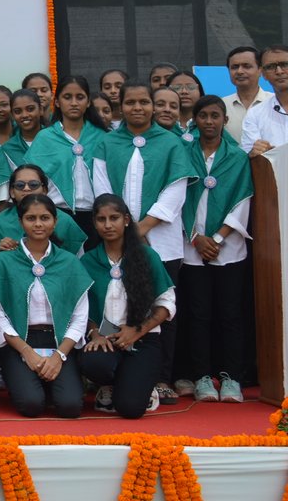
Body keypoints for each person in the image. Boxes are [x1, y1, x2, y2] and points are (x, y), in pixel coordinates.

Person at [100, 82, 195, 402]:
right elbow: (103, 190)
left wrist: (141, 229)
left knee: (163, 309)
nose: (137, 107)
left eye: (144, 102)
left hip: (162, 241)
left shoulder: (171, 143)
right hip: (117, 238)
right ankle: (117, 376)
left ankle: (162, 377)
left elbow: (176, 190)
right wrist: (123, 229)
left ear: (153, 106)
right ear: (121, 106)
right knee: (118, 304)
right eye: (131, 102)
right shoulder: (107, 143)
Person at [177, 94, 252, 403]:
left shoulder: (237, 157)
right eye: (203, 116)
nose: (209, 121)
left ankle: (231, 377)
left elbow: (243, 199)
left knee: (231, 314)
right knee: (198, 314)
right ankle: (202, 377)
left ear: (225, 120)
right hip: (192, 246)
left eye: (215, 116)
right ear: (195, 120)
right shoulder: (183, 153)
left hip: (228, 249)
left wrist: (218, 239)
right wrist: (196, 237)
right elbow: (178, 198)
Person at [0, 194, 90, 418]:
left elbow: (80, 315)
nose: (38, 224)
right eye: (31, 218)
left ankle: (50, 382)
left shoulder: (69, 262)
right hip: (20, 341)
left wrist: (59, 356)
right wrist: (27, 352)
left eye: (44, 218)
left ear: (55, 221)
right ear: (21, 222)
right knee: (31, 405)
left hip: (59, 341)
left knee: (70, 407)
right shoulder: (5, 260)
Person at [79, 194, 174, 418]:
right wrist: (95, 334)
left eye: (114, 218)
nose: (108, 225)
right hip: (105, 338)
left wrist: (136, 331)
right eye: (101, 219)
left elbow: (166, 304)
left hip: (142, 339)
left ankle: (143, 387)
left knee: (130, 408)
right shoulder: (88, 261)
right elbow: (81, 308)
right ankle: (109, 384)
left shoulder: (147, 256)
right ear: (94, 223)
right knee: (93, 362)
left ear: (127, 220)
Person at [25, 74, 106, 242]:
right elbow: (32, 178)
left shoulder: (102, 137)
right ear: (57, 102)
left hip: (98, 215)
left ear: (88, 102)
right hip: (57, 214)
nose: (74, 103)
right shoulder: (45, 137)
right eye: (67, 97)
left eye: (80, 97)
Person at [0, 165, 86, 256]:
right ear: (12, 192)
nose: (26, 188)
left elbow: (77, 261)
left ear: (45, 190)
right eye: (20, 185)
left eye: (33, 184)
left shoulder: (65, 221)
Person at [243, 44, 288, 159]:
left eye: (285, 64)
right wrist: (254, 154)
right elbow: (247, 156)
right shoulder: (255, 114)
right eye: (271, 67)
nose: (279, 71)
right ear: (263, 74)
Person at [221, 45, 266, 144]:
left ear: (260, 70)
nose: (239, 71)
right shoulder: (221, 105)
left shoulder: (275, 103)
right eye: (234, 67)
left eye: (246, 66)